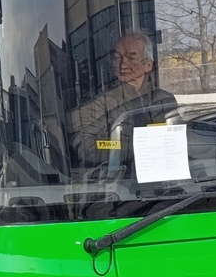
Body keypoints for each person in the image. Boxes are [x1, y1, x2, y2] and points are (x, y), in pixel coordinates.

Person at [71, 31, 177, 173]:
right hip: (118, 179)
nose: (123, 65)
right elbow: (84, 146)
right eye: (117, 58)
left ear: (148, 64)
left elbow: (175, 142)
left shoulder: (164, 100)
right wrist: (133, 148)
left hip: (162, 175)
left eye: (131, 58)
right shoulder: (102, 102)